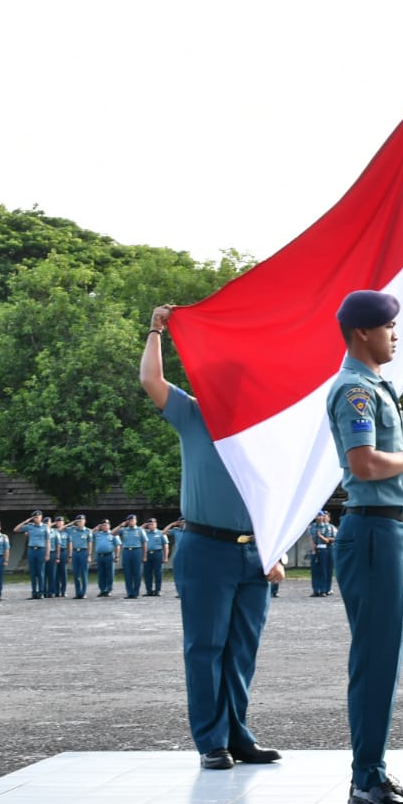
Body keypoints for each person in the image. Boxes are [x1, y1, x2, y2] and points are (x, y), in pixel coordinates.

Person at [143, 304, 283, 773]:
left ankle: (238, 734)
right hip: (204, 548)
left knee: (242, 649)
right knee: (206, 648)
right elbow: (151, 382)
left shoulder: (262, 432)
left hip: (254, 553)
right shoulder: (193, 415)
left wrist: (276, 547)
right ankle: (211, 740)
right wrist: (155, 332)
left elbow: (273, 494)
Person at [323, 290, 403, 804]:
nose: (395, 334)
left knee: (384, 662)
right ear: (363, 332)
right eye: (389, 326)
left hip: (391, 528)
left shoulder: (376, 387)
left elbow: (378, 472)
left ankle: (375, 771)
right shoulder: (356, 391)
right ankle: (365, 780)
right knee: (374, 661)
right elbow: (364, 465)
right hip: (372, 537)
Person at [13, 511, 49, 599]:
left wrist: (47, 554)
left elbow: (47, 542)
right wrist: (25, 521)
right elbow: (16, 529)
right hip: (31, 550)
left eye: (37, 517)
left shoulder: (45, 527)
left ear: (41, 517)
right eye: (34, 517)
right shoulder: (29, 526)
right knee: (33, 573)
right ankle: (34, 593)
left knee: (40, 573)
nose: (35, 518)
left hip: (41, 550)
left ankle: (41, 593)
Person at [115, 514, 145, 599]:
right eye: (130, 520)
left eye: (133, 520)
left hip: (137, 551)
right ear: (127, 521)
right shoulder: (123, 530)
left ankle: (136, 593)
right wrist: (121, 525)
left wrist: (144, 555)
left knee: (137, 573)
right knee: (127, 573)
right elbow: (113, 533)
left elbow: (144, 542)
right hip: (126, 551)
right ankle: (129, 593)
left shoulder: (140, 530)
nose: (132, 521)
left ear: (136, 521)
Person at [309, 509, 337, 597]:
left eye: (321, 515)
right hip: (316, 550)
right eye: (317, 515)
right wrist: (313, 550)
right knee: (315, 571)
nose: (320, 517)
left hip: (325, 549)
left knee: (324, 571)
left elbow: (329, 539)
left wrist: (320, 536)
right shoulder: (312, 527)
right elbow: (311, 538)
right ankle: (316, 590)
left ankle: (324, 589)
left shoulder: (328, 527)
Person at [65, 514, 92, 599]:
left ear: (85, 521)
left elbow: (90, 543)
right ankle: (78, 593)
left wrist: (89, 555)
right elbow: (61, 528)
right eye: (78, 521)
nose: (80, 522)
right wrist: (72, 523)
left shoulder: (88, 531)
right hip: (75, 552)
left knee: (84, 573)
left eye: (82, 520)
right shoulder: (72, 530)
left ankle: (83, 593)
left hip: (84, 552)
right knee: (76, 574)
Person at [142, 517, 169, 596]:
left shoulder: (161, 533)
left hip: (157, 553)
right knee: (147, 573)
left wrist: (165, 556)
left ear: (156, 524)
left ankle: (158, 590)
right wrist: (145, 525)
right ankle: (149, 590)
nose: (151, 525)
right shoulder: (145, 533)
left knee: (158, 573)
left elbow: (165, 545)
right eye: (149, 524)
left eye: (153, 524)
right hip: (147, 554)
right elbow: (139, 529)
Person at [91, 518, 117, 596]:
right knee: (101, 574)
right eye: (103, 525)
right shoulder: (97, 534)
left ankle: (108, 590)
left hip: (109, 556)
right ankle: (102, 590)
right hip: (100, 556)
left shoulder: (113, 534)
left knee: (109, 574)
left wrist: (117, 556)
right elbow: (88, 534)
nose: (104, 527)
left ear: (109, 526)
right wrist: (96, 528)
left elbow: (118, 545)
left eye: (106, 525)